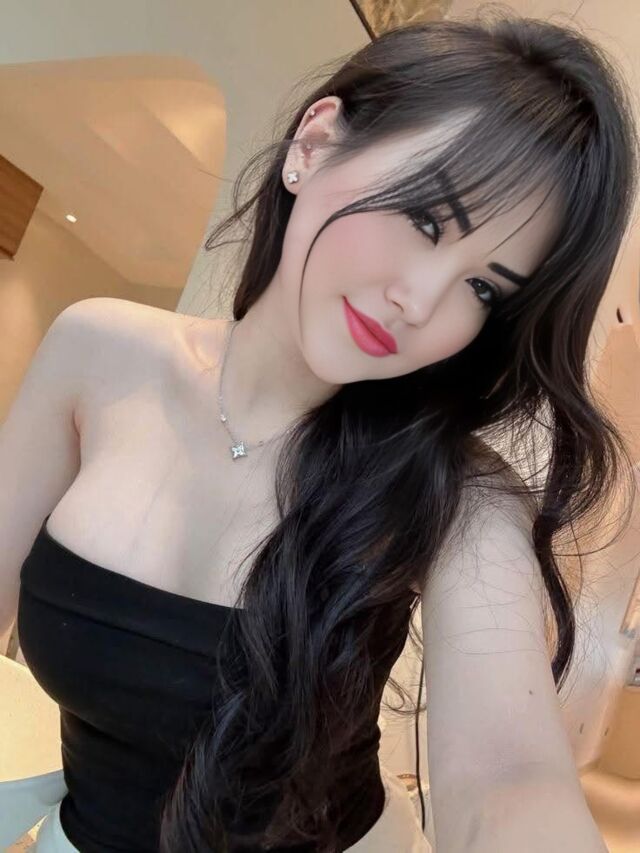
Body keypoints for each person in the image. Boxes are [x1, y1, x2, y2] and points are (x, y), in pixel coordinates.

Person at [0, 10, 638, 853]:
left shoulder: (461, 493)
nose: (421, 301)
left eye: (484, 288)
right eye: (426, 217)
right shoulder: (98, 352)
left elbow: (507, 775)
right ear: (314, 143)